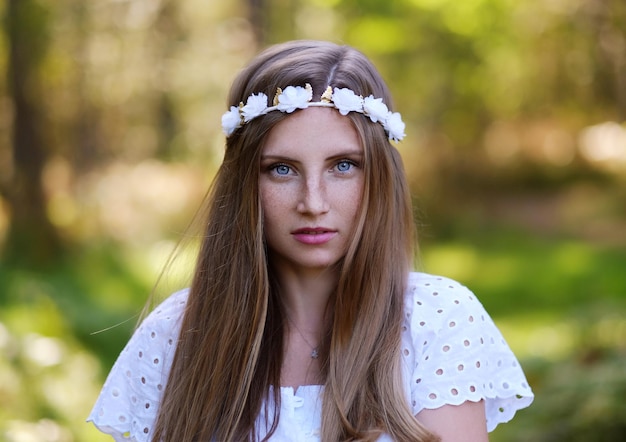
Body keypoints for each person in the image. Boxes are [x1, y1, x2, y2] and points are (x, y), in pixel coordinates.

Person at [88, 40, 533, 441]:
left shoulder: (436, 320)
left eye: (343, 166)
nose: (313, 202)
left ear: (378, 174)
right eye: (282, 169)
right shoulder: (177, 334)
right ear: (244, 182)